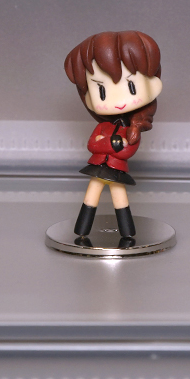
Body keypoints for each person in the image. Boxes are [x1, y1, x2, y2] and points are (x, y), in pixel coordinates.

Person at [64, 31, 162, 239]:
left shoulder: (132, 129)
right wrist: (114, 143)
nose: (118, 102)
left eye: (131, 86)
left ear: (153, 84)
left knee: (120, 198)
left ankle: (127, 232)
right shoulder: (105, 127)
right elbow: (92, 145)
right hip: (98, 166)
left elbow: (127, 151)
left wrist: (108, 143)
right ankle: (82, 230)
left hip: (117, 169)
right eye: (101, 91)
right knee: (91, 196)